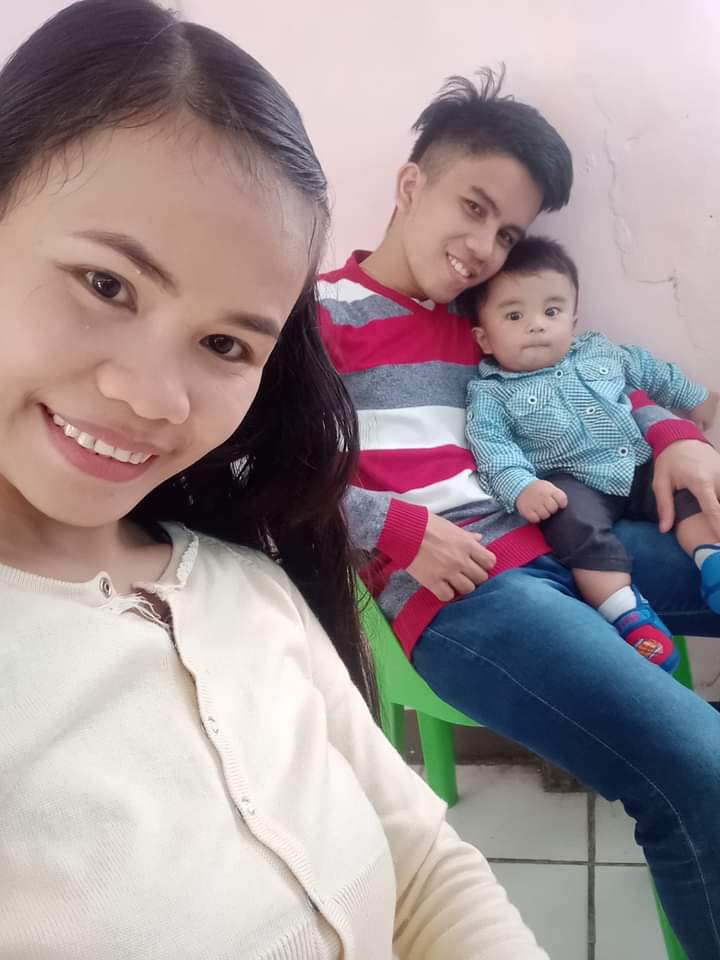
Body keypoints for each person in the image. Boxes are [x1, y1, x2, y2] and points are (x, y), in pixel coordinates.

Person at [0, 4, 552, 958]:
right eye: (106, 284)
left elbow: (424, 864)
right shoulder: (347, 312)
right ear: (412, 185)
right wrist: (400, 529)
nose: (154, 398)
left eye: (225, 344)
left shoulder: (247, 587)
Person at [318, 69, 720, 959]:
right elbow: (252, 473)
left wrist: (671, 436)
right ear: (410, 183)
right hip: (467, 596)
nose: (483, 247)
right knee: (701, 768)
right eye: (473, 208)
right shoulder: (319, 316)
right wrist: (398, 530)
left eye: (506, 232)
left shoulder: (487, 317)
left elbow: (587, 383)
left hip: (569, 541)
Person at [464, 235, 719, 672]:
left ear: (573, 320)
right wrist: (521, 487)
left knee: (687, 492)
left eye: (551, 312)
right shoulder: (489, 394)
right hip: (571, 481)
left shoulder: (601, 351)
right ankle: (627, 614)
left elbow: (652, 371)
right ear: (484, 338)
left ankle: (711, 557)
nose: (537, 325)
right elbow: (491, 447)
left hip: (637, 461)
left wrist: (697, 399)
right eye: (514, 315)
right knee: (569, 526)